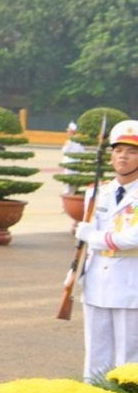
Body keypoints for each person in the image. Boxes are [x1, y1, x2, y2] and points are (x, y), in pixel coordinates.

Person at [77, 121, 138, 378]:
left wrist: (93, 237)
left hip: (130, 281)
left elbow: (133, 238)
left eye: (131, 151)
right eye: (118, 150)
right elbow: (85, 241)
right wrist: (75, 273)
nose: (123, 156)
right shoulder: (97, 192)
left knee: (129, 356)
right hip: (97, 280)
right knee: (95, 352)